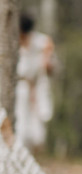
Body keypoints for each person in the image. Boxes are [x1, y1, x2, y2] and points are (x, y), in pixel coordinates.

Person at [14, 11, 56, 151]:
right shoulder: (12, 41)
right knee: (21, 129)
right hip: (19, 88)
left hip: (36, 87)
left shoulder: (40, 41)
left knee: (37, 133)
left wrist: (47, 59)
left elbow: (48, 48)